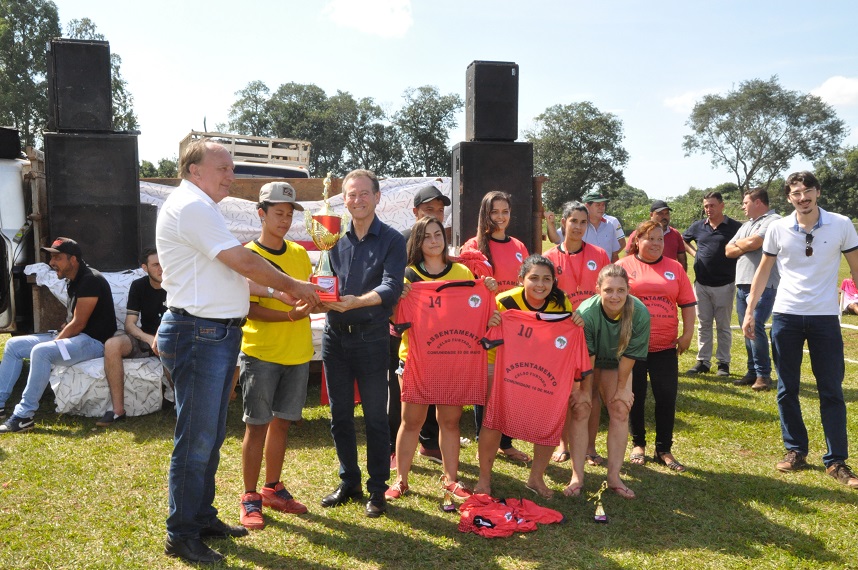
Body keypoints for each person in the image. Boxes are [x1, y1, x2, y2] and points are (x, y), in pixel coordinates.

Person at [156, 139, 321, 564]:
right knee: (196, 440)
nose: (232, 175)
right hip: (199, 332)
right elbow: (241, 261)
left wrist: (276, 294)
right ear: (194, 170)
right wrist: (294, 287)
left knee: (207, 437)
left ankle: (201, 517)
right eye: (223, 167)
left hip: (212, 334)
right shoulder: (192, 207)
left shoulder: (200, 207)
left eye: (231, 168)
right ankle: (182, 533)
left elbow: (233, 274)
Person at [742, 171, 858, 490]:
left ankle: (836, 462)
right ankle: (795, 451)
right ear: (789, 197)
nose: (802, 197)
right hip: (786, 317)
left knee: (831, 390)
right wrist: (750, 312)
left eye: (807, 191)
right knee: (786, 388)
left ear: (818, 192)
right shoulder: (778, 228)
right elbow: (763, 272)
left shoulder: (841, 224)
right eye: (796, 193)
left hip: (824, 319)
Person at [387, 216, 495, 501]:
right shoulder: (408, 275)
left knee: (450, 420)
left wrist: (489, 294)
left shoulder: (461, 272)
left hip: (453, 358)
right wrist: (400, 298)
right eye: (427, 236)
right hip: (415, 359)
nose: (434, 241)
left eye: (438, 235)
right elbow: (394, 321)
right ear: (417, 242)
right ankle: (401, 480)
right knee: (411, 421)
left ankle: (451, 479)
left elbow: (475, 310)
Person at [320, 169, 406, 519]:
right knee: (339, 415)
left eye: (363, 194)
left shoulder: (391, 239)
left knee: (374, 417)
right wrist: (317, 295)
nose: (356, 200)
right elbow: (325, 281)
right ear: (344, 199)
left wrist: (358, 301)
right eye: (350, 195)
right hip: (334, 337)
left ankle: (377, 489)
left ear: (377, 197)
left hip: (371, 338)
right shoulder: (332, 239)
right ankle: (349, 481)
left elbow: (391, 287)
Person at [474, 255, 588, 498]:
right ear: (521, 280)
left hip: (543, 368)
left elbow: (566, 336)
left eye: (547, 279)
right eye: (533, 278)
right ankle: (484, 479)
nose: (540, 284)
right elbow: (482, 331)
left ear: (554, 282)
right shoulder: (504, 301)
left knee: (549, 419)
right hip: (500, 363)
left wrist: (575, 322)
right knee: (493, 417)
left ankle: (536, 479)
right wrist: (490, 320)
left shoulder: (561, 303)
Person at [237, 182, 315, 530]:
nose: (284, 219)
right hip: (261, 352)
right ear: (261, 214)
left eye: (289, 213)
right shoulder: (246, 255)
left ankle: (273, 487)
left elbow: (311, 293)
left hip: (297, 352)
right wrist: (288, 315)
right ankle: (250, 496)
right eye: (278, 213)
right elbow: (248, 309)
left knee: (282, 422)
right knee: (256, 426)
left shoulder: (299, 253)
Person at [0, 237, 117, 433]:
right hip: (77, 338)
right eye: (51, 258)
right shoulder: (74, 280)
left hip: (94, 343)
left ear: (74, 260)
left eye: (58, 258)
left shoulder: (90, 280)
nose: (52, 263)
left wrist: (57, 341)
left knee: (42, 351)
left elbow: (79, 324)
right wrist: (61, 333)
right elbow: (74, 320)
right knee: (14, 346)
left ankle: (23, 416)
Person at [617, 221, 696, 472]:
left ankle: (664, 449)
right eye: (650, 238)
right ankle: (638, 444)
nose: (656, 244)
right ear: (637, 241)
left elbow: (687, 303)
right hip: (632, 347)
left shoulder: (674, 267)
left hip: (665, 347)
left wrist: (687, 334)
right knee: (635, 396)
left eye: (660, 239)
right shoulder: (623, 267)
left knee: (666, 396)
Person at [566, 264, 650, 499]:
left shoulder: (640, 313)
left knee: (620, 409)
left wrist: (622, 389)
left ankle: (614, 477)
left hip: (617, 363)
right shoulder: (587, 313)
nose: (615, 296)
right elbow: (587, 358)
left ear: (628, 290)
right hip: (588, 361)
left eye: (621, 290)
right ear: (598, 290)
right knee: (581, 408)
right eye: (609, 290)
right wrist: (583, 390)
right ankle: (577, 476)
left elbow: (630, 356)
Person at [461, 190, 531, 463]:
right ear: (485, 214)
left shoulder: (519, 247)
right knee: (487, 386)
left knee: (510, 382)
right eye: (494, 212)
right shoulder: (474, 247)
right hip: (486, 326)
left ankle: (505, 441)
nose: (500, 217)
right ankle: (484, 437)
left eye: (505, 212)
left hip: (515, 327)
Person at [544, 201, 611, 466]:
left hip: (593, 333)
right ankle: (563, 444)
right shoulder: (549, 258)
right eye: (574, 221)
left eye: (583, 222)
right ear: (563, 223)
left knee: (590, 391)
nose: (579, 227)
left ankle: (590, 447)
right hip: (560, 334)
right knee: (563, 392)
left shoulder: (600, 254)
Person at [389, 183, 451, 469]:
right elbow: (389, 284)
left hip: (438, 335)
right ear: (415, 212)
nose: (436, 215)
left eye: (440, 210)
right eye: (429, 209)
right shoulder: (398, 240)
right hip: (402, 331)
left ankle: (429, 443)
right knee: (401, 393)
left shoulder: (445, 247)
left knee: (436, 389)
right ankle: (394, 448)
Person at [97, 247, 167, 427]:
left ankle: (181, 406)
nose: (161, 269)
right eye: (156, 265)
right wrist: (149, 339)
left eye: (164, 263)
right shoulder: (138, 286)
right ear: (145, 268)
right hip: (146, 338)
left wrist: (161, 338)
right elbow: (130, 324)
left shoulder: (175, 285)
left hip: (170, 337)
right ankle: (118, 411)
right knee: (112, 344)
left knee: (170, 345)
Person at [725, 188, 781, 391]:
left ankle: (763, 376)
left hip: (764, 285)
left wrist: (745, 244)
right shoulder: (747, 225)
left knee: (755, 326)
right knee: (746, 329)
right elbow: (728, 250)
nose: (742, 206)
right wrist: (746, 244)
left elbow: (756, 242)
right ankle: (752, 372)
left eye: (746, 202)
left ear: (758, 202)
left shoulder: (774, 220)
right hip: (742, 284)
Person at [682, 192, 742, 376]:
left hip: (725, 284)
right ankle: (703, 361)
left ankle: (723, 363)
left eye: (712, 205)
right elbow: (683, 240)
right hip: (701, 285)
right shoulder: (698, 226)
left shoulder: (735, 227)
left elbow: (746, 245)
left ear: (722, 206)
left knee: (723, 326)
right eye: (706, 206)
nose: (708, 209)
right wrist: (695, 254)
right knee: (704, 324)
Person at [626, 200, 687, 271]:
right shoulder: (639, 233)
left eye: (667, 213)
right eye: (660, 213)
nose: (664, 216)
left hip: (668, 277)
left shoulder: (675, 234)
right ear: (651, 215)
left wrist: (681, 276)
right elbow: (628, 257)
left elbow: (682, 260)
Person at [581, 190, 626, 262]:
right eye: (598, 205)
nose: (601, 208)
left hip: (605, 271)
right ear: (587, 206)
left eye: (603, 205)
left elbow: (614, 253)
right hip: (585, 271)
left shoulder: (609, 225)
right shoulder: (579, 226)